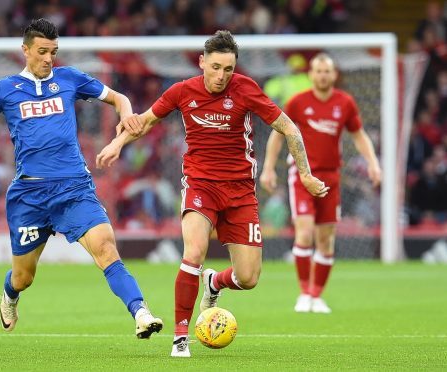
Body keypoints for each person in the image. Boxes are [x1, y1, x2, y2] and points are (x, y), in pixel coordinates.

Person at [96, 30, 328, 357]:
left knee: (248, 278)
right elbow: (145, 122)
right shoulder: (182, 91)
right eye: (216, 67)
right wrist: (117, 143)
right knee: (194, 252)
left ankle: (214, 283)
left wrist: (304, 173)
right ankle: (180, 338)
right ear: (202, 62)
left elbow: (288, 127)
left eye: (228, 69)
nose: (221, 76)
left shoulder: (246, 89)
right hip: (200, 184)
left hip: (240, 191)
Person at [0, 18, 163, 338]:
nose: (49, 59)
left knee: (106, 248)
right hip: (29, 194)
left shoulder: (69, 78)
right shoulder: (5, 89)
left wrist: (127, 115)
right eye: (42, 51)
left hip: (73, 188)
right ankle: (10, 295)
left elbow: (119, 98)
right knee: (24, 277)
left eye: (53, 51)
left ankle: (141, 312)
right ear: (25, 51)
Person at [260, 53, 382, 314]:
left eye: (327, 71)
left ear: (334, 74)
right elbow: (278, 135)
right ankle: (304, 293)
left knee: (326, 240)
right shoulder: (297, 103)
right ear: (311, 75)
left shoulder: (345, 103)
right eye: (318, 71)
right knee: (304, 233)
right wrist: (269, 167)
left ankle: (317, 295)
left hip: (331, 177)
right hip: (302, 176)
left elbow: (358, 135)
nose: (323, 75)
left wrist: (373, 162)